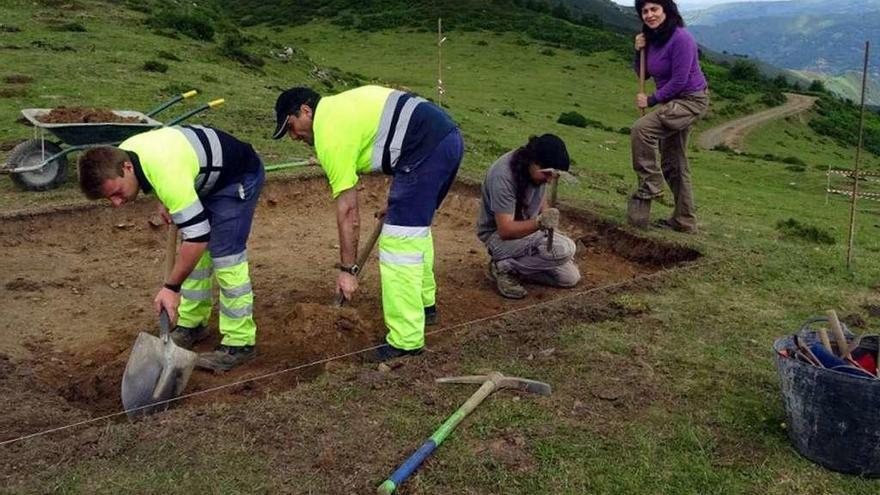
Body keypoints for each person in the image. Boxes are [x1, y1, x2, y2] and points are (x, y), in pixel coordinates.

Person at [272, 85, 463, 362]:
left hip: (425, 150)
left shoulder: (328, 133)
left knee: (399, 244)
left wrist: (348, 270)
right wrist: (400, 201)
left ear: (305, 110)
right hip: (446, 141)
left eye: (291, 127)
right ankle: (424, 306)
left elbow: (349, 211)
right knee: (414, 232)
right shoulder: (340, 110)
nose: (293, 136)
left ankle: (406, 342)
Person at [77, 125, 264, 371]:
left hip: (237, 177)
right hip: (203, 180)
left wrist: (171, 288)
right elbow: (167, 169)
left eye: (117, 193)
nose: (116, 203)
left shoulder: (166, 173)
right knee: (197, 259)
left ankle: (240, 343)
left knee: (225, 256)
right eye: (109, 199)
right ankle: (192, 324)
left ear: (127, 168)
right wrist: (166, 199)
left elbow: (198, 237)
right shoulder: (123, 155)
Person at [627, 0, 709, 233]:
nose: (649, 15)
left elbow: (680, 81)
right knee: (674, 162)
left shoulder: (682, 38)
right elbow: (643, 72)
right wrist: (638, 51)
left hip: (690, 101)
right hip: (673, 101)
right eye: (644, 11)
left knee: (641, 129)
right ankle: (685, 220)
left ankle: (650, 184)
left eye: (654, 9)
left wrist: (651, 100)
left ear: (666, 10)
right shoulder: (652, 38)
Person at [477, 134, 580, 299]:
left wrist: (549, 220)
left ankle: (510, 267)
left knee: (569, 278)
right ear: (533, 162)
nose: (548, 181)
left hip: (527, 235)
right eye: (546, 175)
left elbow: (540, 198)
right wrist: (540, 223)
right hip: (498, 239)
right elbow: (505, 230)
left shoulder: (533, 170)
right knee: (564, 249)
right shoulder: (503, 176)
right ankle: (502, 266)